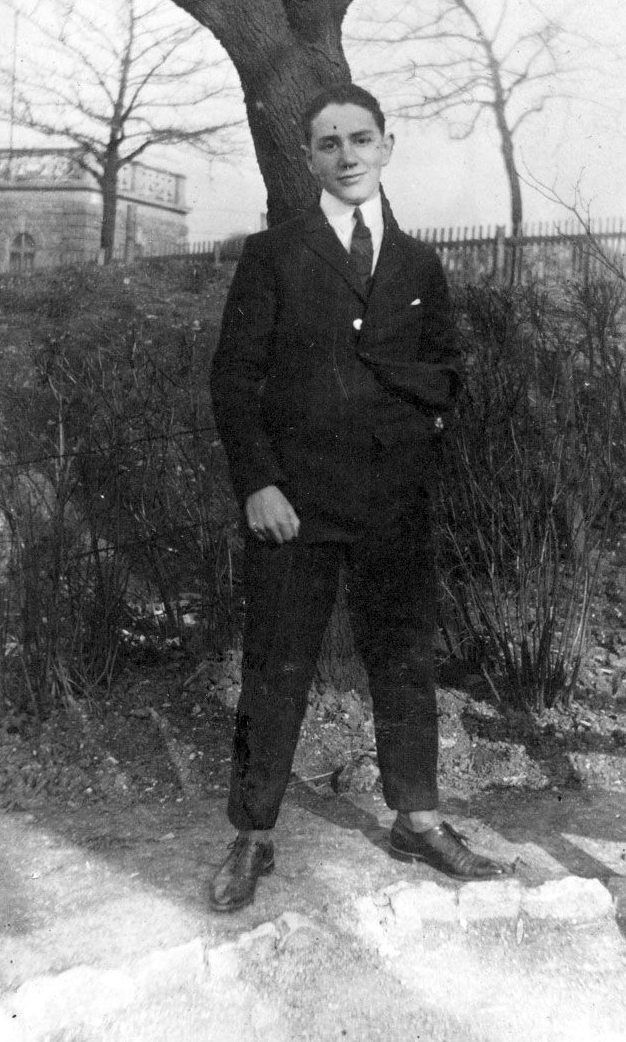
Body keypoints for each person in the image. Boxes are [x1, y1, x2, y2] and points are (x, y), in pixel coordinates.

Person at [208, 83, 505, 913]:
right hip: (293, 504)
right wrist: (258, 481)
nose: (347, 156)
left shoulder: (417, 264)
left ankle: (417, 817)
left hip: (392, 500)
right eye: (329, 143)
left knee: (403, 661)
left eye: (360, 139)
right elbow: (233, 376)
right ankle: (253, 833)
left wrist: (411, 423)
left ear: (386, 146)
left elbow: (446, 368)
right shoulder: (274, 254)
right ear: (308, 158)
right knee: (275, 667)